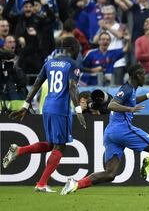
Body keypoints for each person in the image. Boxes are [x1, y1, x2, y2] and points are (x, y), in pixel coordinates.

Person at [60, 63, 149, 195]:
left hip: (111, 133)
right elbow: (111, 105)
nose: (146, 77)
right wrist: (129, 109)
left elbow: (131, 101)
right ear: (137, 75)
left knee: (110, 174)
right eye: (143, 75)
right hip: (122, 129)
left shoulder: (129, 90)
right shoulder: (127, 89)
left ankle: (75, 184)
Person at [2, 36, 86, 192]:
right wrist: (79, 110)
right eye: (78, 48)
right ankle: (41, 184)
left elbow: (36, 84)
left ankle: (19, 150)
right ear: (72, 48)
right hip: (61, 109)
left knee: (51, 144)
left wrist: (26, 105)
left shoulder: (49, 63)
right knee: (60, 147)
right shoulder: (73, 64)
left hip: (47, 107)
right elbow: (73, 87)